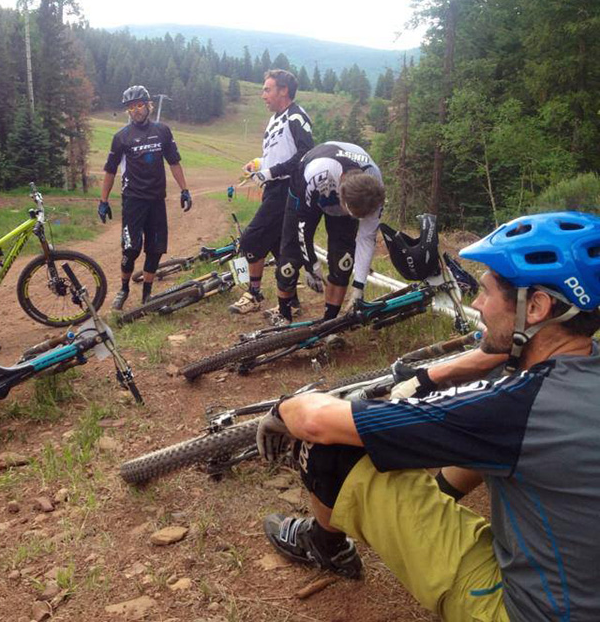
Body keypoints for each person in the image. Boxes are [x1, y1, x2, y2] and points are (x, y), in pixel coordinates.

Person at [255, 211, 600, 621]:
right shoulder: (582, 368)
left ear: (537, 306)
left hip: (529, 611)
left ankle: (322, 543)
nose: (476, 304)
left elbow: (318, 423)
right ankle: (436, 498)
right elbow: (496, 425)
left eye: (487, 292)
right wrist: (435, 375)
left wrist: (284, 407)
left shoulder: (517, 405)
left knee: (333, 450)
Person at [99, 85, 191, 310]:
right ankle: (123, 289)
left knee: (156, 248)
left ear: (148, 105)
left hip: (157, 200)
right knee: (131, 249)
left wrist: (184, 189)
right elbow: (110, 170)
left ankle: (147, 295)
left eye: (139, 105)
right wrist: (103, 201)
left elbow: (174, 162)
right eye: (131, 107)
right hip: (133, 200)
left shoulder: (163, 131)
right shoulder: (121, 137)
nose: (135, 110)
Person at [229, 70, 314, 315]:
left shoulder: (297, 116)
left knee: (249, 240)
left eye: (267, 89)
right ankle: (292, 301)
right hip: (273, 188)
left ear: (283, 90)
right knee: (279, 248)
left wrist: (272, 172)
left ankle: (253, 293)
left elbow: (305, 154)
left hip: (287, 189)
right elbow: (278, 153)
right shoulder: (277, 117)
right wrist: (258, 164)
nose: (262, 95)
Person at [271, 142, 385, 324]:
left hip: (348, 191)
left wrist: (359, 286)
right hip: (305, 187)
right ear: (342, 197)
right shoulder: (316, 172)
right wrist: (311, 266)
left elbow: (366, 237)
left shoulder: (375, 186)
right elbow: (302, 227)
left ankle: (328, 323)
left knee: (343, 262)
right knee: (290, 261)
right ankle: (283, 315)